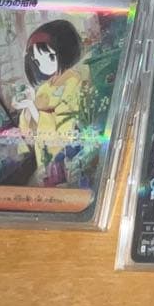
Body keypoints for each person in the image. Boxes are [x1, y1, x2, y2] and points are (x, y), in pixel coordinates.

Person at [11, 20, 90, 186]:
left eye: (50, 57)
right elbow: (31, 130)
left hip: (64, 158)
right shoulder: (45, 87)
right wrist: (28, 106)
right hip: (44, 156)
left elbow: (63, 133)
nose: (44, 66)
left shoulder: (74, 83)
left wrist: (32, 107)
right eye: (38, 61)